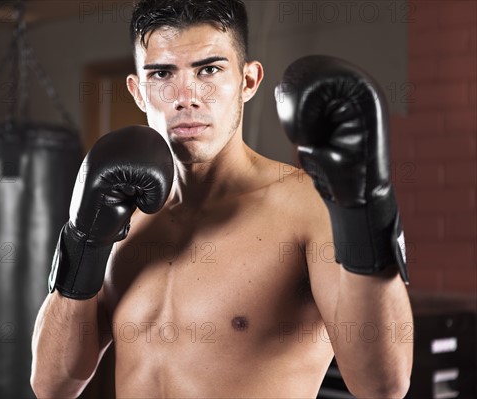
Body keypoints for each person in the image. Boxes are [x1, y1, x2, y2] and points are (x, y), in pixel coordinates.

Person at [31, 1, 414, 398]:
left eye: (209, 70)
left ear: (248, 81)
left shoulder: (305, 210)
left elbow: (383, 385)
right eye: (162, 74)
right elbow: (52, 385)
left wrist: (364, 207)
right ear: (138, 92)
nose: (186, 97)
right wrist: (83, 243)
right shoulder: (124, 217)